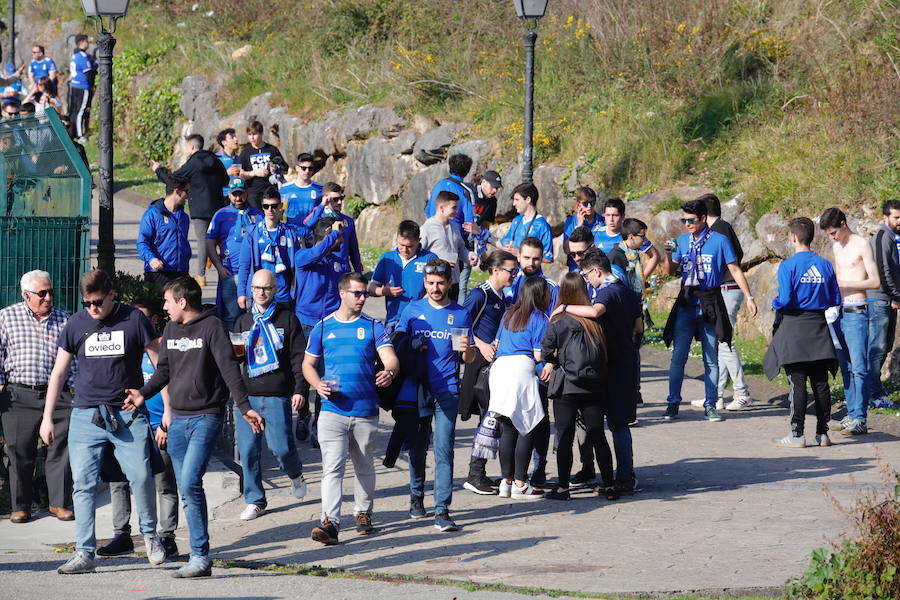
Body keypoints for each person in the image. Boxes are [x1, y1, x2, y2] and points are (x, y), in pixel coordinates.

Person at [127, 277, 264, 578]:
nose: (164, 307)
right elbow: (163, 371)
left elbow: (230, 369)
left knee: (189, 481)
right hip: (178, 420)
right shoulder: (171, 330)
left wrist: (245, 407)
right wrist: (142, 394)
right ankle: (200, 557)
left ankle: (200, 555)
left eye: (167, 302)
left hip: (206, 416)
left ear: (182, 302)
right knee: (187, 488)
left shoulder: (211, 327)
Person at [39, 269, 166, 575]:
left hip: (126, 413)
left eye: (97, 301)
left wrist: (166, 409)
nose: (92, 309)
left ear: (111, 295)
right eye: (87, 303)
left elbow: (160, 363)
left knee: (140, 476)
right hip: (86, 414)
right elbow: (58, 373)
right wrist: (47, 418)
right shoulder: (76, 323)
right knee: (82, 485)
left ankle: (150, 537)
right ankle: (84, 552)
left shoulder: (133, 320)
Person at [302, 273, 399, 545]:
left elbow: (390, 359)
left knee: (364, 466)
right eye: (356, 293)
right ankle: (330, 523)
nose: (361, 298)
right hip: (332, 410)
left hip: (365, 408)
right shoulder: (323, 327)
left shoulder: (373, 326)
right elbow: (308, 365)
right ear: (342, 293)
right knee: (332, 468)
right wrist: (317, 384)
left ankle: (363, 513)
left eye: (364, 294)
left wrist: (389, 372)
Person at [394, 258, 475, 530]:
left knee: (444, 449)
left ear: (450, 282)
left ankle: (442, 509)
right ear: (425, 282)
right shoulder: (412, 311)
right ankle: (416, 495)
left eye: (440, 283)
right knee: (417, 448)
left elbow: (469, 356)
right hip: (418, 389)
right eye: (430, 283)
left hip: (448, 389)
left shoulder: (461, 313)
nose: (435, 288)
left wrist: (467, 350)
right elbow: (396, 346)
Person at [661, 199, 758, 422]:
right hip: (686, 301)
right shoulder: (683, 241)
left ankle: (711, 404)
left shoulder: (720, 240)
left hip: (710, 300)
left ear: (703, 219)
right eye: (683, 220)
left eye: (691, 220)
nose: (687, 224)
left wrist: (750, 297)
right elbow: (670, 271)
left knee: (711, 358)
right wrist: (668, 254)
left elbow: (734, 269)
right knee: (678, 356)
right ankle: (672, 402)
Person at [98, 299, 179, 559]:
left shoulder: (163, 348)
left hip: (157, 426)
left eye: (141, 318)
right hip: (124, 425)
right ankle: (122, 535)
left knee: (163, 482)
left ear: (153, 320)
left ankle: (167, 537)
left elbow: (174, 387)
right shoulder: (120, 346)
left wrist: (165, 422)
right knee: (118, 481)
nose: (134, 323)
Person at [557, 251, 642, 497]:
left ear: (596, 271)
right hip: (628, 362)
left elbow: (595, 312)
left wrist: (564, 307)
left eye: (586, 274)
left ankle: (624, 478)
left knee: (616, 424)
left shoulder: (607, 292)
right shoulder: (628, 291)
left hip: (614, 366)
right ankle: (625, 474)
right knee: (621, 422)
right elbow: (638, 326)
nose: (586, 280)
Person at [233, 270, 309, 521]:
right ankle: (255, 500)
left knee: (282, 448)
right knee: (249, 450)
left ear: (275, 290)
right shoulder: (244, 321)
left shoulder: (287, 319)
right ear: (250, 290)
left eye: (266, 288)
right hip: (249, 395)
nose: (261, 293)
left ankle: (295, 473)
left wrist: (300, 390)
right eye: (256, 288)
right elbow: (233, 361)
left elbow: (299, 358)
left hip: (278, 394)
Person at [0, 270, 73, 524]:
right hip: (19, 392)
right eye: (42, 293)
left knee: (60, 448)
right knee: (19, 451)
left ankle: (59, 503)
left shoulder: (65, 319)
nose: (48, 297)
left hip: (59, 394)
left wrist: (72, 387)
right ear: (26, 295)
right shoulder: (7, 317)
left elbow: (72, 358)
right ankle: (21, 506)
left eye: (50, 291)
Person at [763, 217, 842, 448]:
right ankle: (823, 433)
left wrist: (776, 303)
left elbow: (786, 298)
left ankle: (797, 434)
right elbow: (835, 299)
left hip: (795, 326)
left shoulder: (788, 266)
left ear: (793, 237)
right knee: (820, 383)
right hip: (818, 326)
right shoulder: (825, 265)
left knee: (797, 383)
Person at [540, 272, 608, 500]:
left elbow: (547, 351)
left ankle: (563, 487)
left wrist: (556, 357)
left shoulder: (558, 320)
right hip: (594, 386)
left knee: (565, 435)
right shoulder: (594, 321)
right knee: (598, 434)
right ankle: (608, 483)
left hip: (566, 386)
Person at [460, 250, 517, 494]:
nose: (514, 274)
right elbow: (457, 327)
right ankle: (475, 475)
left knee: (494, 419)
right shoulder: (479, 295)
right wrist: (479, 344)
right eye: (510, 270)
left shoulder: (503, 296)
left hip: (497, 366)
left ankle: (483, 473)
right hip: (479, 366)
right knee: (489, 419)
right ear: (496, 270)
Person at [820, 207, 880, 435]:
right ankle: (852, 412)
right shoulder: (837, 245)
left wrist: (845, 284)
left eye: (833, 232)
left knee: (859, 366)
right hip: (838, 311)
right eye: (828, 233)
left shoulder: (861, 244)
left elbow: (874, 282)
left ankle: (860, 417)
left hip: (857, 310)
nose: (831, 237)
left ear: (843, 224)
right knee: (845, 366)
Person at [489, 276, 550, 500]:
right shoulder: (539, 318)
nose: (549, 296)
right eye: (547, 293)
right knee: (526, 426)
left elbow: (496, 344)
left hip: (500, 370)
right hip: (521, 371)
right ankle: (521, 484)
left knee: (507, 428)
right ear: (539, 295)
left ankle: (506, 482)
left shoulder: (509, 314)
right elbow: (537, 355)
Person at [695, 193, 753, 411]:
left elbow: (730, 265)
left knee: (724, 341)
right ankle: (716, 395)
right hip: (722, 291)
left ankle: (742, 392)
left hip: (728, 291)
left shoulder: (718, 230)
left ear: (703, 214)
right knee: (720, 343)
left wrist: (750, 297)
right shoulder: (721, 228)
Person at [153, 134, 229, 287]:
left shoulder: (192, 164)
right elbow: (225, 180)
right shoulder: (216, 160)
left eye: (187, 147)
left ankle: (201, 275)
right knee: (216, 240)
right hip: (217, 207)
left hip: (199, 209)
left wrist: (158, 170)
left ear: (193, 147)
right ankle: (221, 266)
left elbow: (173, 180)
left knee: (202, 242)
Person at [205, 177, 264, 331]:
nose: (238, 198)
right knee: (231, 316)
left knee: (254, 315)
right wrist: (218, 267)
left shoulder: (258, 215)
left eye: (241, 193)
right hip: (230, 272)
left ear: (247, 193)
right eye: (235, 194)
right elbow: (210, 241)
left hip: (252, 274)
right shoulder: (220, 214)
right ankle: (231, 350)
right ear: (229, 194)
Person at [237, 186, 302, 309]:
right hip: (259, 294)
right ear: (262, 207)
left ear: (280, 206)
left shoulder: (290, 233)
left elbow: (298, 264)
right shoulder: (253, 233)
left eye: (274, 206)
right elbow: (244, 265)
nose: (270, 210)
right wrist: (241, 293)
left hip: (283, 293)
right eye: (266, 206)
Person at [369, 220, 439, 331]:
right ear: (397, 238)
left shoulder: (430, 258)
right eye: (401, 245)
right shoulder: (388, 258)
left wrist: (419, 305)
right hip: (393, 321)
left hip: (421, 320)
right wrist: (384, 291)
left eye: (410, 246)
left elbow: (438, 288)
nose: (405, 250)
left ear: (419, 241)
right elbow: (371, 288)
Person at [866, 199, 900, 408]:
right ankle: (873, 395)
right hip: (879, 300)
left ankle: (874, 390)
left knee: (884, 346)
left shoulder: (893, 237)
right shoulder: (881, 237)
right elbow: (882, 270)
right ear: (885, 217)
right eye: (896, 217)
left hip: (888, 300)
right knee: (876, 348)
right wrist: (896, 296)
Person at [420, 190, 478, 302]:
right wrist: (439, 264)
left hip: (453, 283)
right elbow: (417, 257)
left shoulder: (455, 227)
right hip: (436, 286)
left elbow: (461, 249)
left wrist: (469, 256)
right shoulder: (426, 229)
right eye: (454, 208)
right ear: (441, 208)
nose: (457, 211)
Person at [137, 175, 192, 285]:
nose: (188, 195)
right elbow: (142, 242)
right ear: (177, 191)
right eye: (186, 191)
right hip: (158, 272)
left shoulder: (184, 217)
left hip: (181, 272)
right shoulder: (152, 214)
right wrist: (152, 259)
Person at [301, 182, 364, 273]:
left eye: (341, 198)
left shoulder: (348, 221)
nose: (339, 202)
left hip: (343, 270)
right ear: (326, 199)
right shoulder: (318, 216)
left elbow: (354, 250)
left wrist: (359, 272)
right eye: (335, 199)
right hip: (323, 270)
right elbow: (308, 225)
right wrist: (322, 205)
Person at [499, 182, 554, 263]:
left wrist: (521, 254)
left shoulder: (542, 225)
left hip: (531, 273)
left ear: (528, 199)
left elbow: (548, 258)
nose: (514, 204)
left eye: (517, 200)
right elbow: (504, 244)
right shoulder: (516, 220)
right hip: (514, 272)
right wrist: (487, 237)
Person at [236, 120, 285, 209]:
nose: (252, 138)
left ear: (261, 134)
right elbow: (239, 174)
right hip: (253, 194)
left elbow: (285, 168)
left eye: (254, 134)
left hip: (271, 191)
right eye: (249, 135)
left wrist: (276, 169)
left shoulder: (272, 150)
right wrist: (254, 173)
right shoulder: (245, 153)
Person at [562, 187, 605, 271]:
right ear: (578, 205)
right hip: (576, 269)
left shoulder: (603, 221)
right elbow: (567, 250)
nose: (589, 206)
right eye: (585, 204)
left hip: (597, 267)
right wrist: (579, 225)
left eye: (592, 203)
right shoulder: (570, 221)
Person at [67, 34, 95, 143]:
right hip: (82, 86)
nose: (88, 43)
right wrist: (92, 85)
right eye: (87, 41)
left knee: (74, 111)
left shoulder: (75, 55)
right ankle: (79, 135)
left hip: (74, 85)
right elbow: (88, 73)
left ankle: (72, 132)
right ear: (82, 42)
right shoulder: (82, 56)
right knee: (80, 111)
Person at [282, 152, 323, 226]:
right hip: (292, 232)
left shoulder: (320, 189)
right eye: (304, 168)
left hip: (312, 233)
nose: (307, 171)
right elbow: (280, 211)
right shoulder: (285, 189)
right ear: (297, 168)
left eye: (310, 168)